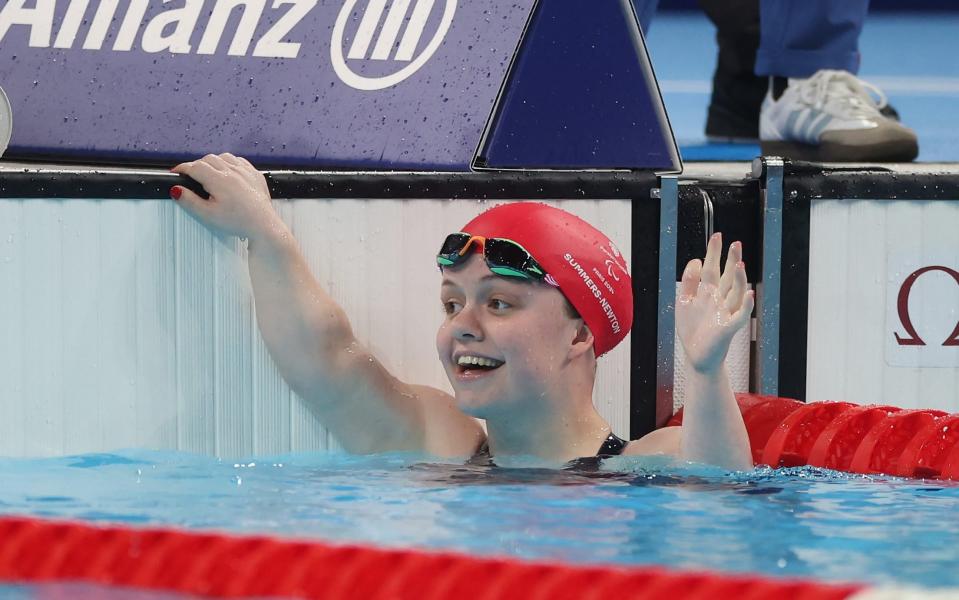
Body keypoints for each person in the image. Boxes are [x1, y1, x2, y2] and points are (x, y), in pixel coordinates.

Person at [169, 154, 754, 470]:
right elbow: (327, 361)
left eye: (499, 302)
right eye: (452, 302)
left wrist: (704, 374)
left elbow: (720, 506)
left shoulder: (646, 468)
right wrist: (265, 235)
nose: (463, 325)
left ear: (580, 336)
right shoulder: (438, 438)